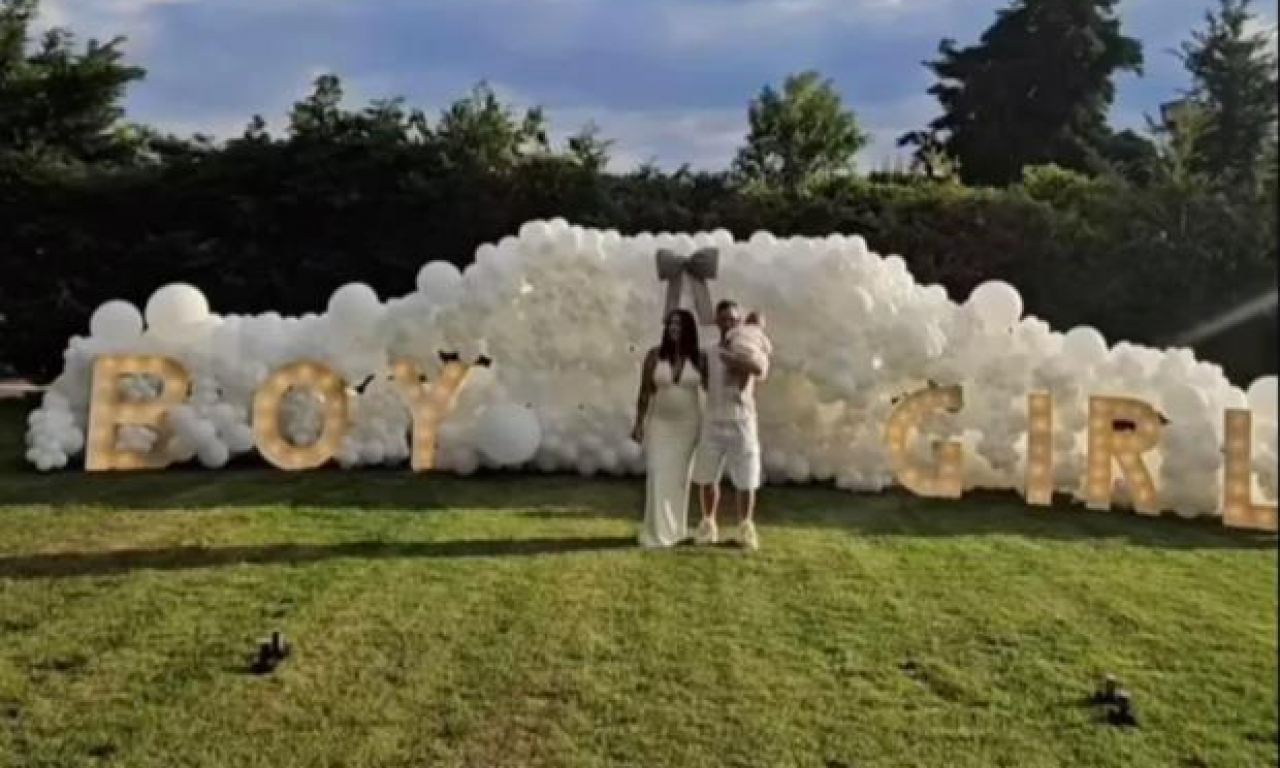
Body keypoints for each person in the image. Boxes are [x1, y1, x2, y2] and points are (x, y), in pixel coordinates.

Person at [692, 300, 768, 550]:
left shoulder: (750, 347)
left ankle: (746, 527)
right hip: (713, 419)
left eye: (733, 320)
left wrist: (734, 359)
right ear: (717, 321)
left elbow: (759, 369)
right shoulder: (709, 352)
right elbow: (705, 380)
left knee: (747, 477)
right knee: (707, 475)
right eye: (723, 319)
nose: (728, 324)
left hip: (742, 420)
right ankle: (708, 524)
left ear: (740, 322)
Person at [631, 309, 706, 547]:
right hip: (660, 424)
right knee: (656, 473)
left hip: (688, 426)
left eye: (679, 324)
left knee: (679, 480)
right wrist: (639, 422)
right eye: (671, 324)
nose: (674, 328)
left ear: (688, 329)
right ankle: (654, 532)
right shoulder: (654, 355)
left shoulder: (699, 358)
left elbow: (714, 390)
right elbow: (644, 391)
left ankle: (675, 531)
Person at [720, 310, 772, 383]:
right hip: (751, 353)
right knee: (764, 358)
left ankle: (735, 365)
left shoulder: (740, 328)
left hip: (736, 349)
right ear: (761, 326)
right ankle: (759, 370)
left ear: (746, 321)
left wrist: (725, 345)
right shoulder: (761, 334)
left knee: (728, 350)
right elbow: (769, 349)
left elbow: (728, 335)